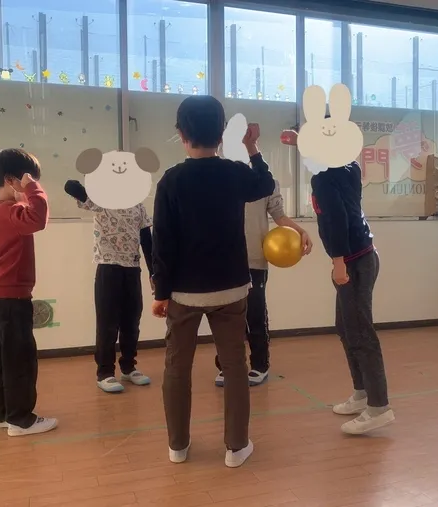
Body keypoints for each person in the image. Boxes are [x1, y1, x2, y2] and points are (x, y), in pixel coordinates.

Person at [152, 95, 275, 468]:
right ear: (222, 134)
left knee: (177, 366)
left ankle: (178, 446)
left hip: (184, 293)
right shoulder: (234, 172)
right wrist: (252, 148)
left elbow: (163, 243)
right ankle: (236, 447)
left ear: (181, 133)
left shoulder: (171, 180)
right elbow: (264, 183)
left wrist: (161, 293)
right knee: (236, 366)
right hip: (231, 287)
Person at [282, 127, 394, 435]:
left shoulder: (324, 178)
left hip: (353, 261)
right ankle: (361, 394)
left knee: (360, 332)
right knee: (346, 327)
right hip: (363, 256)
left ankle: (379, 407)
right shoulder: (349, 166)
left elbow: (337, 219)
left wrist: (338, 263)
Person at [0, 148, 58, 437]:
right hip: (9, 301)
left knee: (0, 358)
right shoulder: (12, 212)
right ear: (13, 181)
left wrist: (25, 188)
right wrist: (33, 187)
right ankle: (21, 420)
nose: (28, 189)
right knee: (20, 360)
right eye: (25, 182)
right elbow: (39, 218)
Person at [214, 183, 313, 387]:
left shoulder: (265, 181)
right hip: (224, 260)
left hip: (255, 261)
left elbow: (280, 217)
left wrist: (301, 231)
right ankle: (227, 365)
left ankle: (260, 365)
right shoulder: (220, 175)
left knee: (255, 314)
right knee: (224, 317)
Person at [64, 179, 154, 393]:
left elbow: (146, 240)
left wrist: (154, 271)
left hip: (132, 268)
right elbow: (70, 186)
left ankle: (128, 367)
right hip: (108, 268)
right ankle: (105, 372)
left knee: (132, 320)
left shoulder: (138, 206)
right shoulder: (100, 200)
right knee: (107, 322)